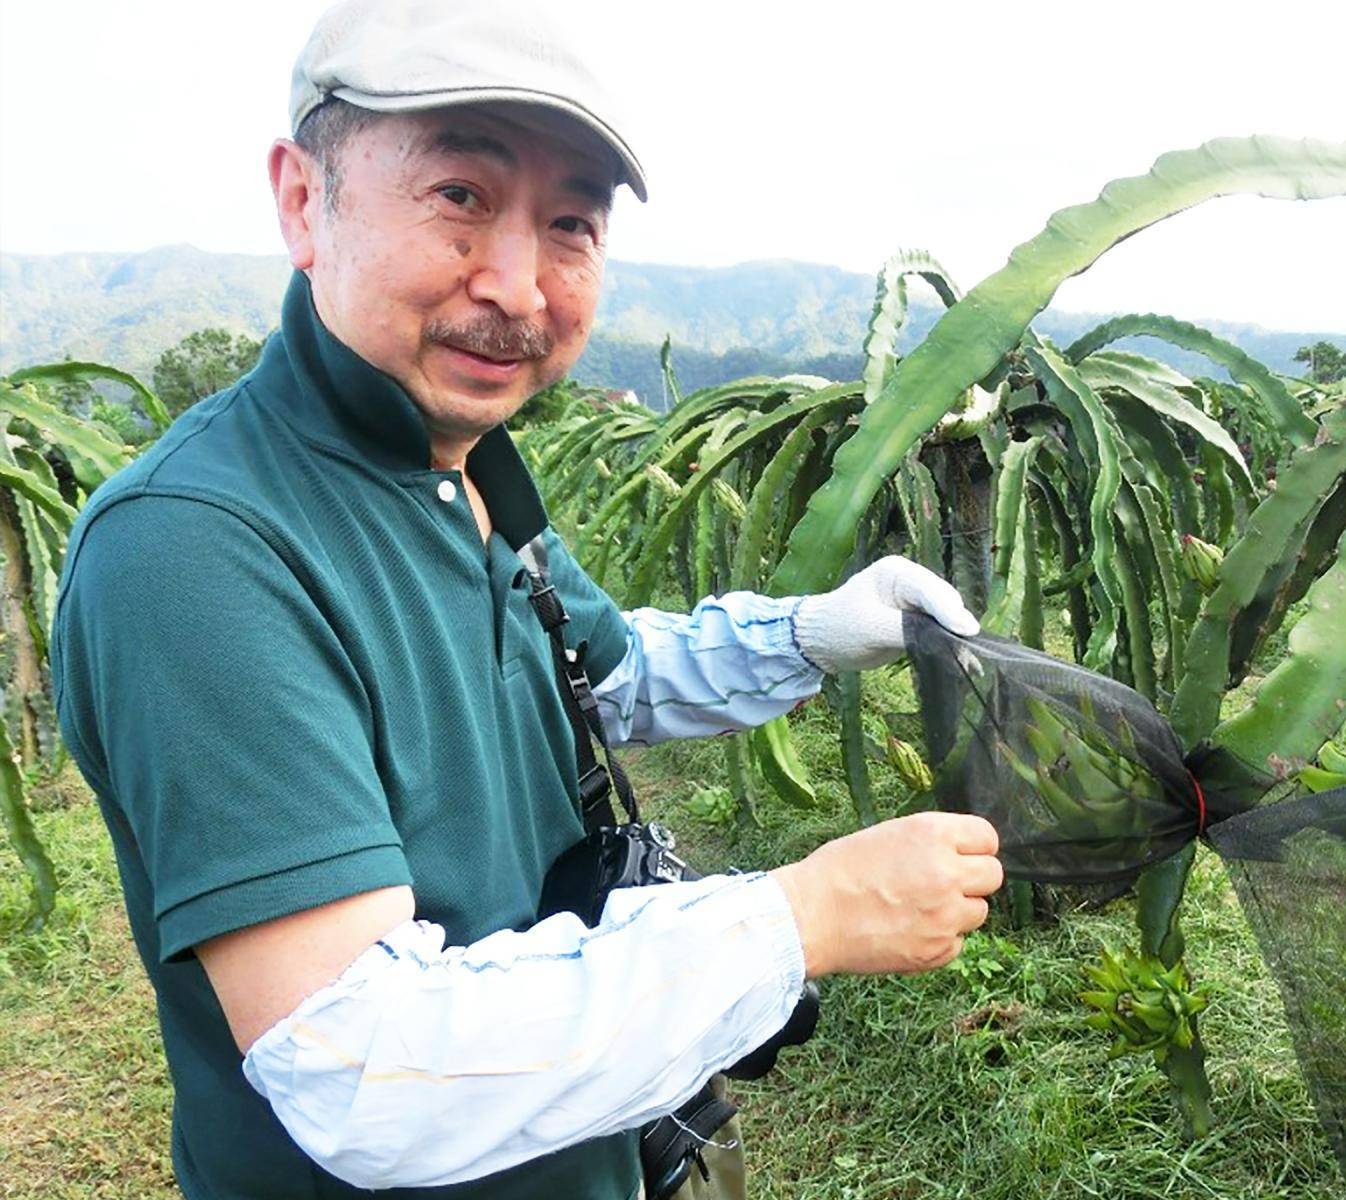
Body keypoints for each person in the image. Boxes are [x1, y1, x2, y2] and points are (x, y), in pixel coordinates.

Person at [47, 2, 1004, 1197]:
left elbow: (601, 675)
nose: (516, 284)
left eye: (569, 225)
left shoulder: (465, 469)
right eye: (459, 194)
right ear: (304, 200)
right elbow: (360, 1064)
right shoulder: (195, 553)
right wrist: (799, 918)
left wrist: (811, 630)